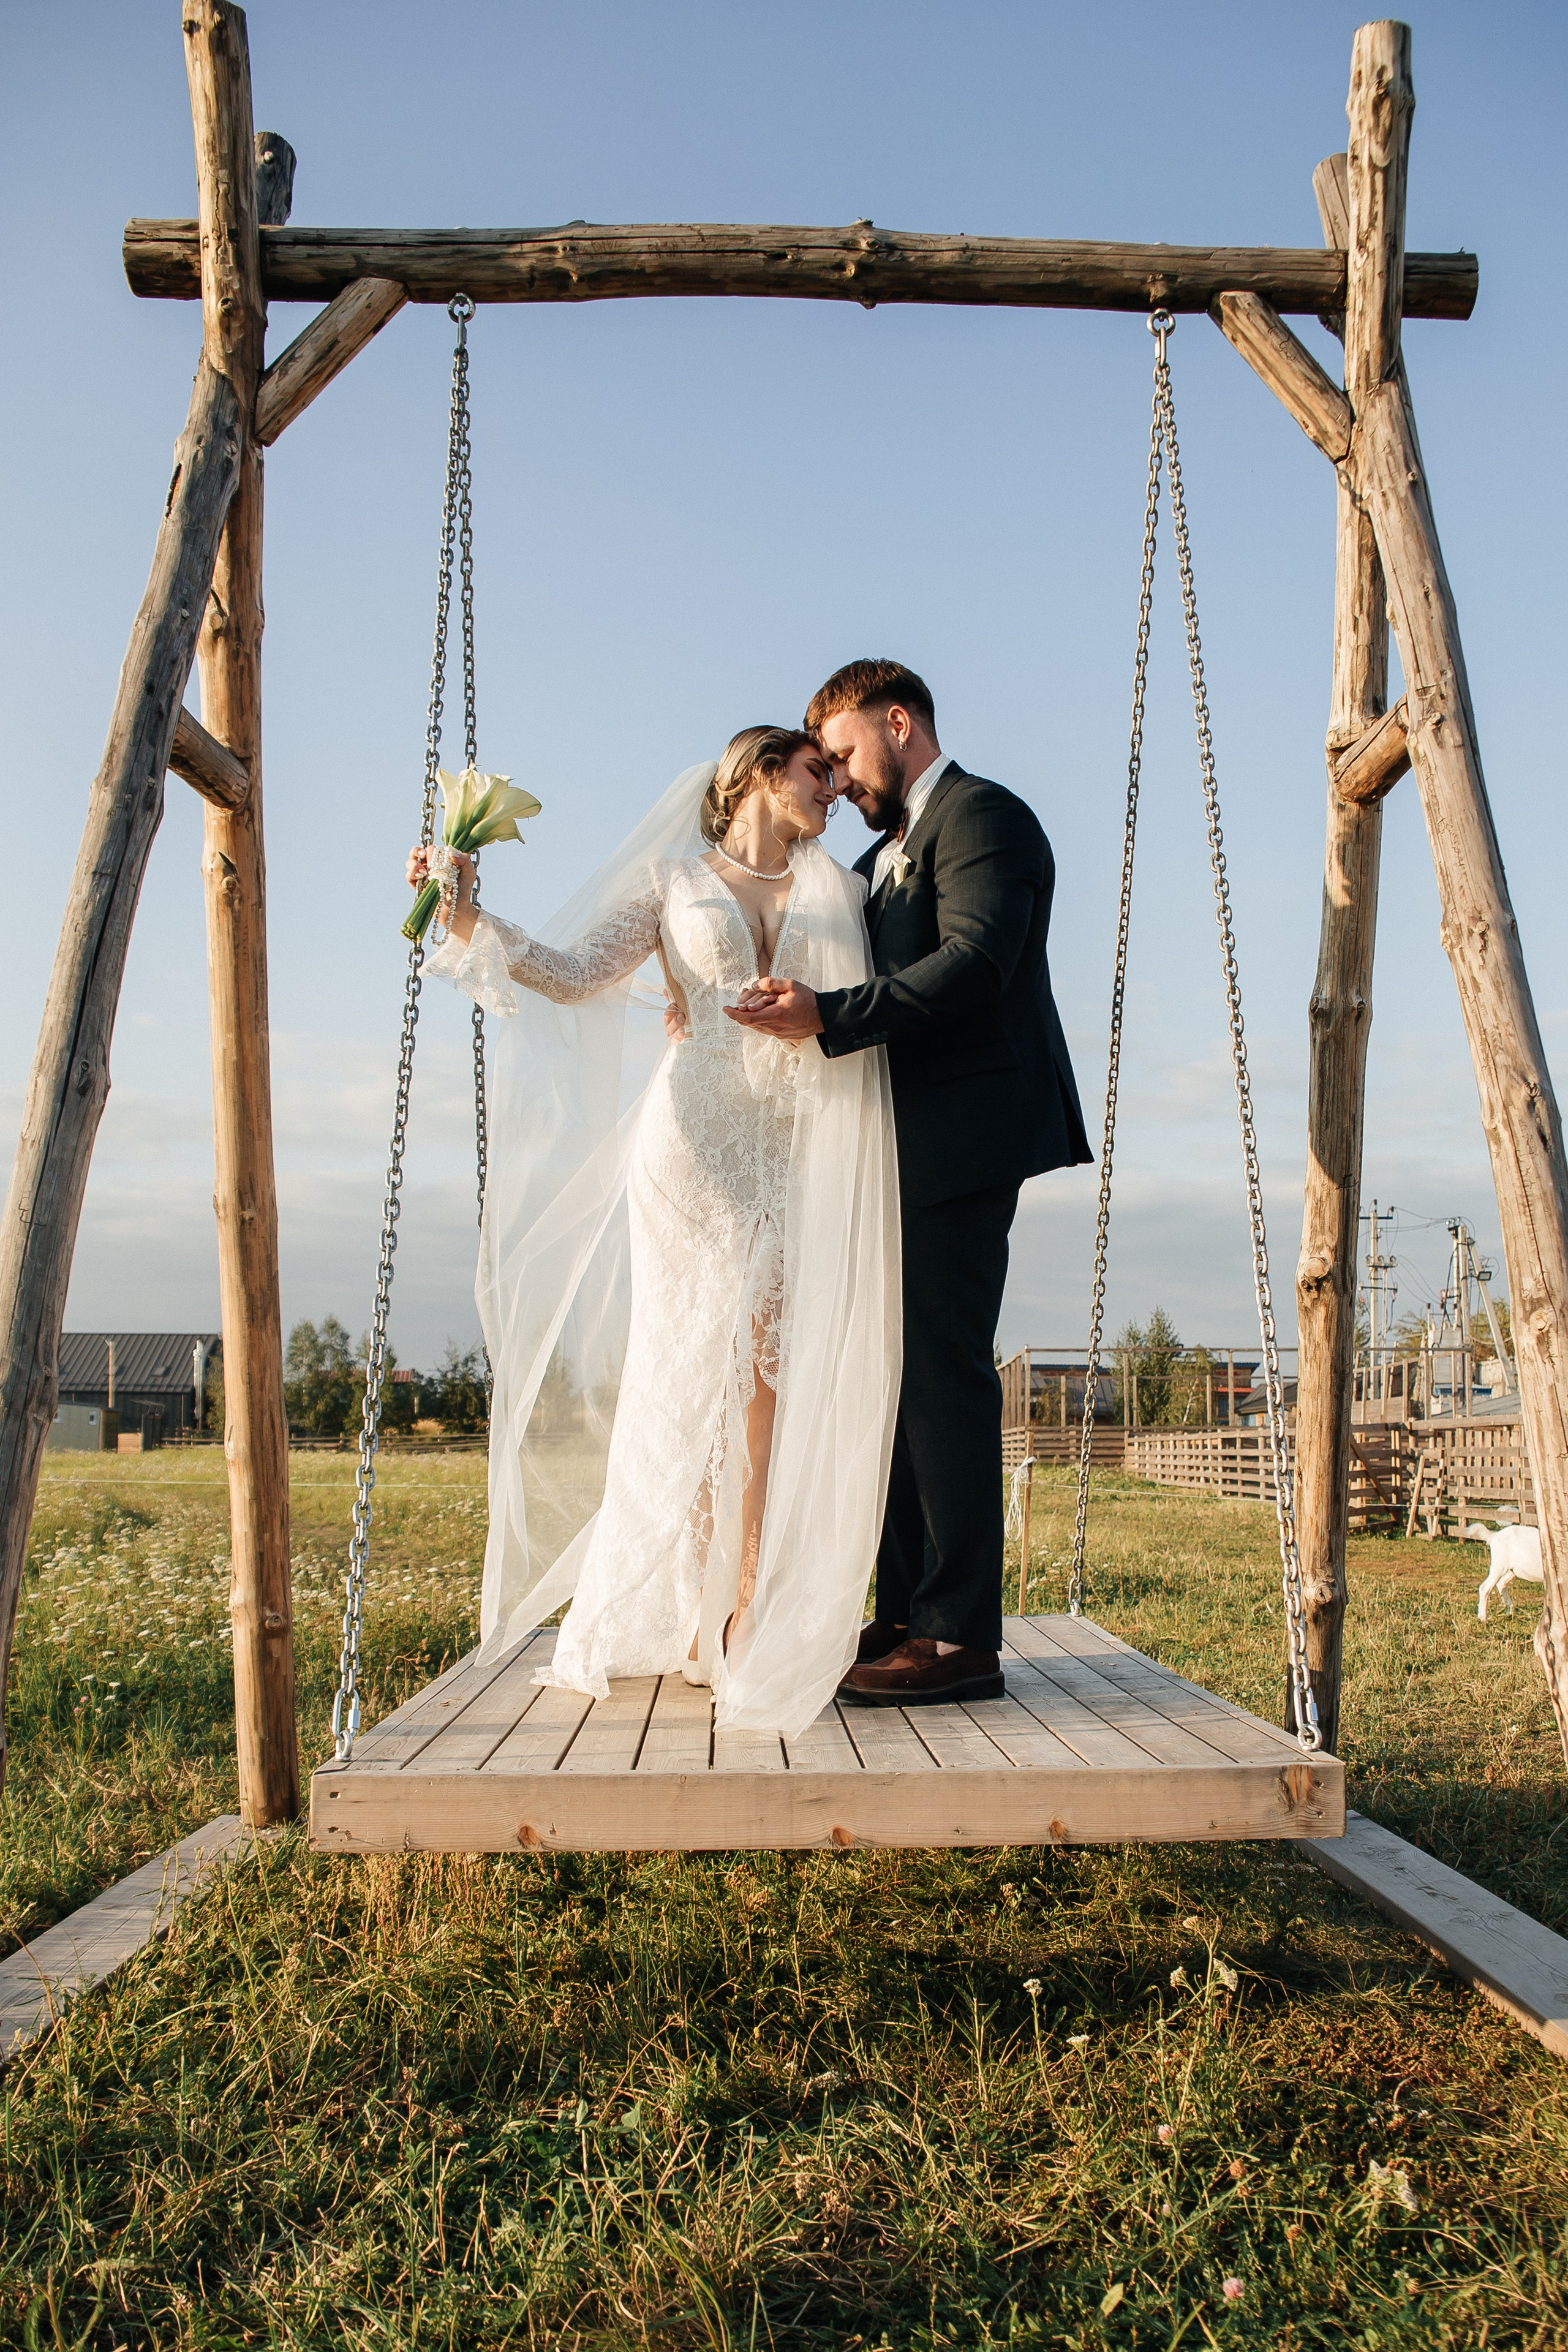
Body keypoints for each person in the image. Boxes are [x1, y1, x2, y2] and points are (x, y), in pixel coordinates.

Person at [408, 728, 900, 1740]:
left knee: (772, 1382)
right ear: (763, 774)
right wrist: (467, 913)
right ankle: (685, 1605)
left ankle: (746, 1612)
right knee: (688, 1372)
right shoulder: (674, 878)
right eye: (819, 772)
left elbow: (864, 1009)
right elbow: (578, 969)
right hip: (693, 1147)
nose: (834, 789)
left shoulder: (839, 892)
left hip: (800, 1144)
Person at [728, 660, 1090, 1706]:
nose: (837, 779)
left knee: (942, 1373)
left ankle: (961, 1637)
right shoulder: (891, 854)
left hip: (966, 1140)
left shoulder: (984, 818)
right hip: (901, 1149)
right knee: (893, 1376)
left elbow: (976, 964)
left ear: (900, 723)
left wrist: (830, 1017)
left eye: (843, 753)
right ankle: (905, 1609)